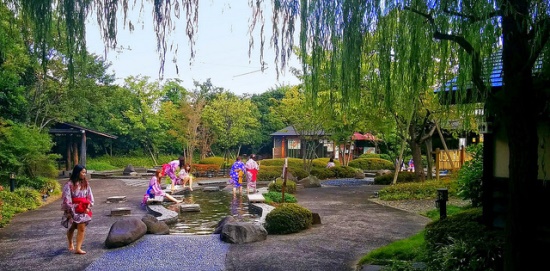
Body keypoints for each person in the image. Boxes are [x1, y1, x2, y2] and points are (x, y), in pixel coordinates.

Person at [61, 164, 94, 255]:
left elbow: (89, 196)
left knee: (81, 227)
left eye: (85, 172)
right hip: (73, 208)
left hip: (83, 208)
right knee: (72, 228)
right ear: (77, 172)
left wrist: (88, 206)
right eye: (83, 172)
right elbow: (66, 198)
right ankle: (70, 242)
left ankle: (78, 248)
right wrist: (69, 209)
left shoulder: (86, 183)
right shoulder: (69, 185)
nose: (84, 174)